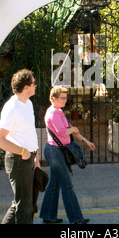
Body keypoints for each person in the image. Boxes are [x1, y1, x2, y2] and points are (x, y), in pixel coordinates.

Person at [39, 86, 95, 224]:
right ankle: (76, 219)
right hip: (55, 152)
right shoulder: (52, 113)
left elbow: (71, 130)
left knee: (54, 184)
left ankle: (48, 217)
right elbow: (63, 132)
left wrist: (86, 141)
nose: (65, 100)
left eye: (66, 97)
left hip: (56, 151)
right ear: (54, 98)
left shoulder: (59, 112)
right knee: (67, 185)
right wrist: (73, 129)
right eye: (63, 98)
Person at [0, 69, 40, 224]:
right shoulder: (12, 107)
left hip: (28, 158)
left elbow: (29, 133)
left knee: (23, 203)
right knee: (24, 206)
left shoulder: (28, 104)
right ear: (26, 87)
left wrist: (36, 156)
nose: (36, 85)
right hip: (18, 159)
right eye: (33, 83)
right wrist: (23, 152)